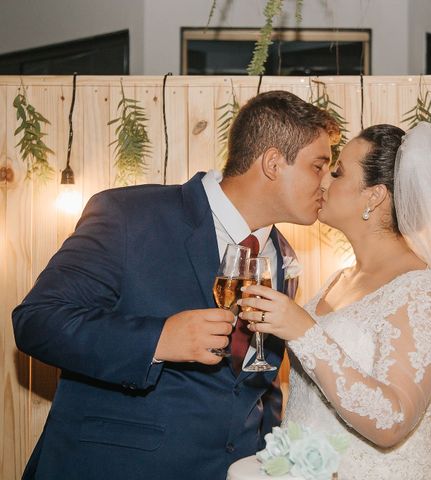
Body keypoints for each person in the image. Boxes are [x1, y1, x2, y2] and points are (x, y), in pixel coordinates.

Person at [12, 90, 339, 480]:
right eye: (318, 166)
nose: (327, 184)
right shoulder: (131, 215)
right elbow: (37, 322)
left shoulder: (280, 256)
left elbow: (257, 382)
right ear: (272, 163)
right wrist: (159, 340)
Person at [238, 122, 431, 479]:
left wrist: (304, 331)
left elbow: (391, 422)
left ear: (374, 196)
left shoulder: (419, 294)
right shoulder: (338, 279)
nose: (324, 180)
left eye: (338, 172)